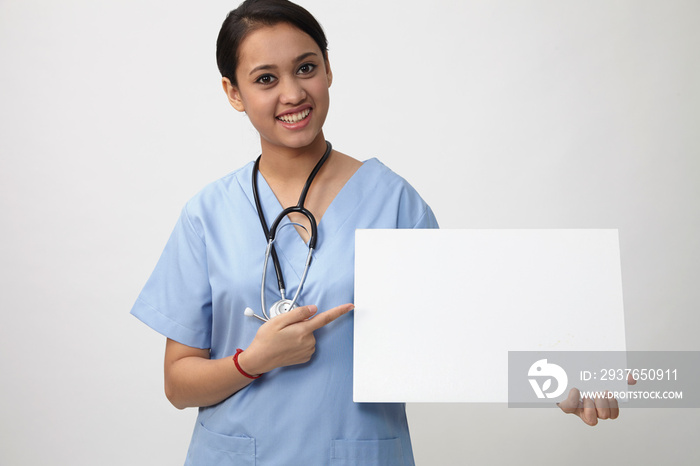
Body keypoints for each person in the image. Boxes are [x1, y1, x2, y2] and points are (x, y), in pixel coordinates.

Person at [131, 1, 619, 464]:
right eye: (265, 79)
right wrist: (252, 361)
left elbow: (466, 330)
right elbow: (178, 384)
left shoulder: (393, 201)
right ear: (233, 92)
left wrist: (557, 378)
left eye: (306, 68)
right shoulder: (207, 214)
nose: (293, 93)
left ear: (327, 68)